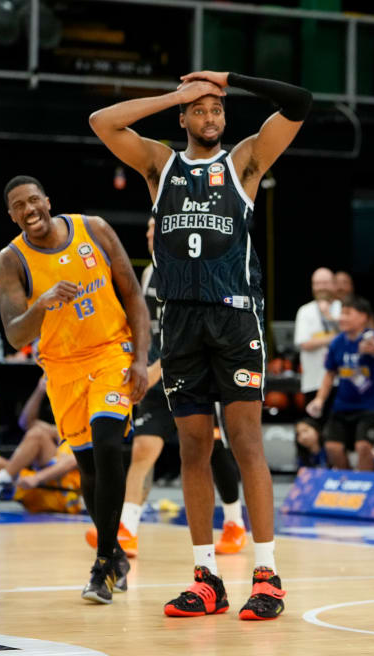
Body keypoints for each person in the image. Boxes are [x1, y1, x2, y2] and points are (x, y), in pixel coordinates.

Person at [90, 68, 312, 620]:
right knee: (192, 447)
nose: (210, 117)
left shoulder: (244, 162)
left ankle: (267, 575)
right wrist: (177, 93)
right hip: (181, 323)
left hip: (236, 320)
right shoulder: (160, 165)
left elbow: (300, 101)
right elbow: (101, 121)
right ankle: (206, 577)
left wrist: (229, 79)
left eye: (217, 109)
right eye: (200, 110)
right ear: (184, 118)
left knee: (245, 444)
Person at [0, 176, 150, 604]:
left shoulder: (93, 229)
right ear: (12, 215)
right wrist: (40, 304)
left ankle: (102, 564)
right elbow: (13, 335)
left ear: (47, 200)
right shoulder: (11, 260)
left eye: (33, 200)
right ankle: (115, 553)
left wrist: (139, 359)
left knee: (107, 442)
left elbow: (134, 295)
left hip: (110, 353)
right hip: (63, 367)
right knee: (88, 467)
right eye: (19, 206)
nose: (29, 210)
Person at [85, 217, 247, 558]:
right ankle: (127, 527)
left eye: (154, 229)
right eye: (145, 229)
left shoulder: (192, 271)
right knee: (143, 448)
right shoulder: (148, 273)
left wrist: (157, 368)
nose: (147, 234)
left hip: (196, 371)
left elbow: (196, 331)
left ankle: (234, 522)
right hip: (157, 373)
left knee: (212, 451)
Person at [0, 372, 82, 515]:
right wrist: (40, 390)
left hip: (63, 493)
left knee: (38, 434)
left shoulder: (90, 432)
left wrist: (36, 478)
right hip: (37, 487)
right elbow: (26, 422)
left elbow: (71, 462)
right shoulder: (64, 430)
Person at [307, 296, 374, 472]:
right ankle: (348, 482)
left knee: (363, 447)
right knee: (332, 448)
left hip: (370, 407)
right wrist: (319, 400)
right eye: (341, 313)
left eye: (348, 313)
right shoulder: (337, 342)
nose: (342, 318)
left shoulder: (373, 337)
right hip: (342, 406)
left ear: (363, 317)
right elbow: (329, 375)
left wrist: (373, 348)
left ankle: (365, 486)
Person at [295, 268, 341, 402]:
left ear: (334, 284)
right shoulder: (304, 311)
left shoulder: (344, 307)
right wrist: (335, 338)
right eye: (317, 283)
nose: (321, 287)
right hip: (313, 381)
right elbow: (304, 343)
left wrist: (328, 316)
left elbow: (350, 337)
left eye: (325, 283)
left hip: (341, 382)